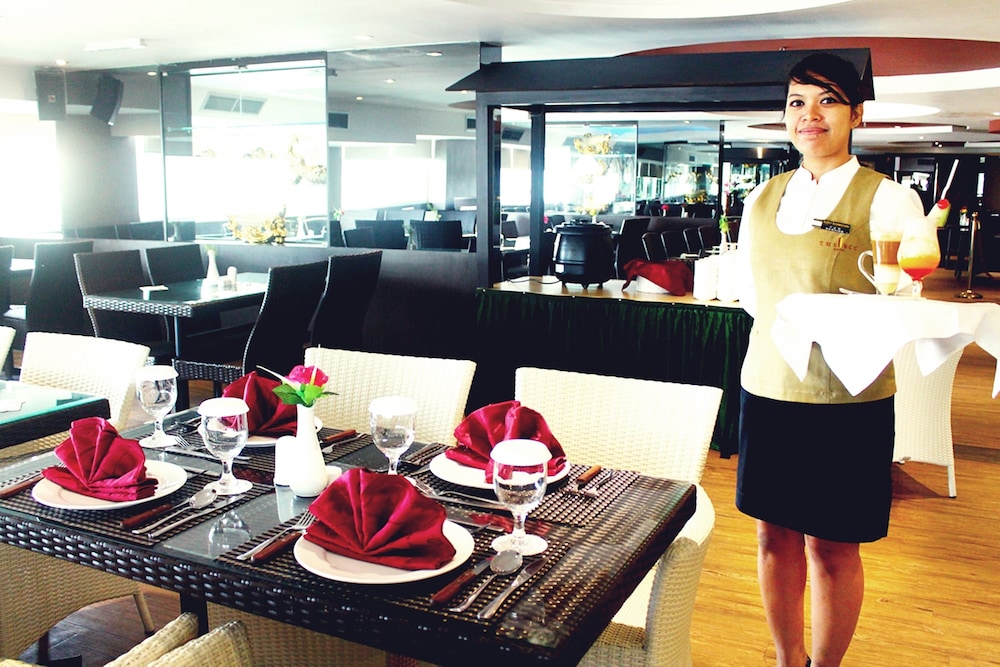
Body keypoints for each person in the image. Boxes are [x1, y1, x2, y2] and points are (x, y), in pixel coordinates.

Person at [734, 52, 924, 667]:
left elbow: (904, 301)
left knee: (833, 546)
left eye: (827, 101)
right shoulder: (761, 197)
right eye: (797, 102)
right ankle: (788, 660)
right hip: (769, 388)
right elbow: (751, 295)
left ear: (856, 114)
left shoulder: (889, 200)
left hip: (848, 400)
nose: (809, 115)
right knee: (772, 536)